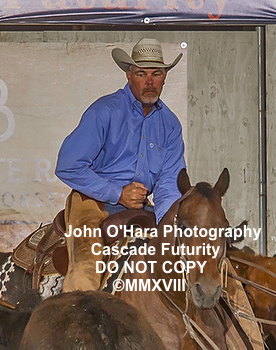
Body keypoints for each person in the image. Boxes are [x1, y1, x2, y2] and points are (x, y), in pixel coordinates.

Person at [54, 37, 185, 291]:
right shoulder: (104, 111)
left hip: (139, 206)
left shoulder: (170, 124)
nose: (149, 82)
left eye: (156, 74)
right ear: (129, 74)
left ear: (165, 77)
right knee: (86, 271)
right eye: (142, 74)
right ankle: (78, 310)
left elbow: (169, 183)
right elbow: (68, 166)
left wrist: (167, 226)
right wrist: (118, 193)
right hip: (91, 202)